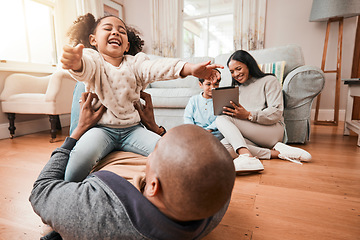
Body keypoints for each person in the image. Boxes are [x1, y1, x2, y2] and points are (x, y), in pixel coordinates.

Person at [30, 92, 235, 240]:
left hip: (95, 156)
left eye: (156, 151)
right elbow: (200, 159)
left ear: (153, 186)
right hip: (119, 133)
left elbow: (41, 190)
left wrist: (77, 131)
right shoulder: (214, 199)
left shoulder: (92, 211)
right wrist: (154, 128)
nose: (151, 151)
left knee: (81, 91)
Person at [61, 13, 222, 182]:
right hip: (101, 130)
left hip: (133, 130)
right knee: (75, 167)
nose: (115, 32)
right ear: (93, 40)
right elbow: (84, 68)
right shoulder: (92, 59)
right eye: (108, 29)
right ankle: (68, 189)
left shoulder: (136, 63)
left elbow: (157, 67)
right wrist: (75, 63)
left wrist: (188, 68)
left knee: (170, 153)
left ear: (127, 45)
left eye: (121, 31)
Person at [215, 50, 312, 173]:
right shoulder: (236, 89)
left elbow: (276, 112)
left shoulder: (269, 80)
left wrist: (249, 115)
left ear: (248, 64)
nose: (235, 74)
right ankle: (277, 153)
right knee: (222, 147)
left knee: (221, 119)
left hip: (272, 130)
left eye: (238, 69)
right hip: (251, 134)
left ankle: (246, 157)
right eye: (232, 72)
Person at [184, 69, 224, 140]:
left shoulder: (220, 100)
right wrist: (194, 131)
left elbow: (221, 119)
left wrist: (208, 130)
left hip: (214, 133)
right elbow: (187, 118)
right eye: (208, 84)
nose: (212, 88)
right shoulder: (194, 100)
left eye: (216, 84)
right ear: (200, 84)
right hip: (195, 132)